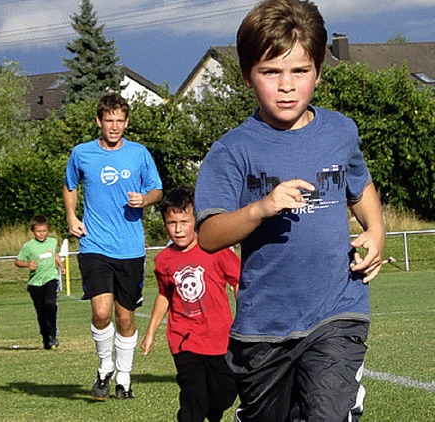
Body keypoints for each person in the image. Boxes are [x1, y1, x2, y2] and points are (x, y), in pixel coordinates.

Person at [194, 1, 385, 420]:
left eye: (299, 71)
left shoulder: (340, 131)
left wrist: (376, 231)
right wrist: (261, 208)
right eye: (270, 71)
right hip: (264, 326)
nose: (286, 85)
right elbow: (208, 236)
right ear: (247, 76)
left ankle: (342, 402)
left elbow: (361, 187)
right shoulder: (232, 150)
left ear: (318, 71)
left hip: (338, 308)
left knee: (326, 413)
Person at [64, 92, 163, 400]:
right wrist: (71, 216)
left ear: (126, 122)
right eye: (109, 120)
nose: (115, 126)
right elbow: (70, 185)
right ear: (99, 121)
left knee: (125, 318)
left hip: (131, 248)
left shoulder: (139, 154)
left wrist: (145, 199)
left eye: (120, 121)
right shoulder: (82, 153)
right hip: (94, 244)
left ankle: (124, 379)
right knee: (102, 311)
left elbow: (157, 189)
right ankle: (105, 368)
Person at [140, 187, 239, 421]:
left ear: (196, 220)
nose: (178, 229)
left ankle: (213, 410)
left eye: (184, 221)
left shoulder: (216, 250)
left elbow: (237, 283)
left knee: (225, 392)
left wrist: (247, 316)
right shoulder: (164, 260)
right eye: (171, 222)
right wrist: (151, 333)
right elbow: (164, 295)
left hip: (219, 337)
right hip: (184, 338)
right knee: (193, 394)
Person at [15, 215, 65, 350]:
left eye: (44, 231)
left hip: (50, 278)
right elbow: (17, 261)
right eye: (38, 231)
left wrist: (61, 265)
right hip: (35, 283)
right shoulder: (29, 246)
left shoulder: (52, 242)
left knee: (50, 304)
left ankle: (53, 334)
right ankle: (45, 337)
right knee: (41, 311)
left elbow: (55, 254)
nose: (41, 234)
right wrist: (27, 264)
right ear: (33, 231)